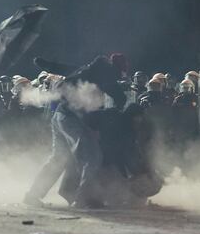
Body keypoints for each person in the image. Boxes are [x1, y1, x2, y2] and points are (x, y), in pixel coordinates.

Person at [24, 55, 126, 208]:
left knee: (58, 159)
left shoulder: (88, 70)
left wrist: (46, 64)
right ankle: (84, 199)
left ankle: (32, 195)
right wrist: (114, 111)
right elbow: (119, 96)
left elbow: (64, 67)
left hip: (60, 116)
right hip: (73, 120)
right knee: (92, 157)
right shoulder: (105, 75)